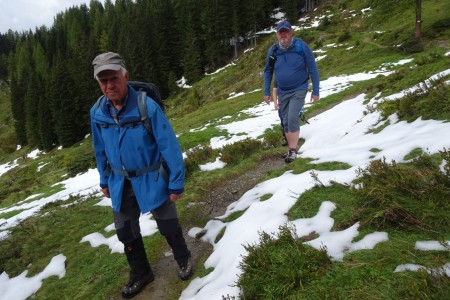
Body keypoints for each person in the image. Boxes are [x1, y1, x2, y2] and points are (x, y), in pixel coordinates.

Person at [90, 52, 192, 298]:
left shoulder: (147, 106)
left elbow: (169, 145)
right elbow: (100, 149)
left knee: (168, 224)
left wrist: (176, 182)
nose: (109, 85)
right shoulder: (97, 112)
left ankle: (183, 258)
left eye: (113, 78)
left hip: (152, 178)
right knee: (126, 231)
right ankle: (141, 272)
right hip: (119, 182)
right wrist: (104, 180)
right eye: (103, 81)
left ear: (125, 76)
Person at [263, 20, 320, 163]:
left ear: (291, 32)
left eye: (286, 31)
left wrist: (316, 90)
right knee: (286, 121)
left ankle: (293, 151)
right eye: (280, 32)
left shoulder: (301, 46)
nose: (283, 35)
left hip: (299, 88)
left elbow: (312, 68)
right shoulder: (274, 51)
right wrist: (266, 91)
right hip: (282, 91)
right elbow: (268, 71)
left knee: (293, 116)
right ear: (277, 35)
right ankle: (291, 149)